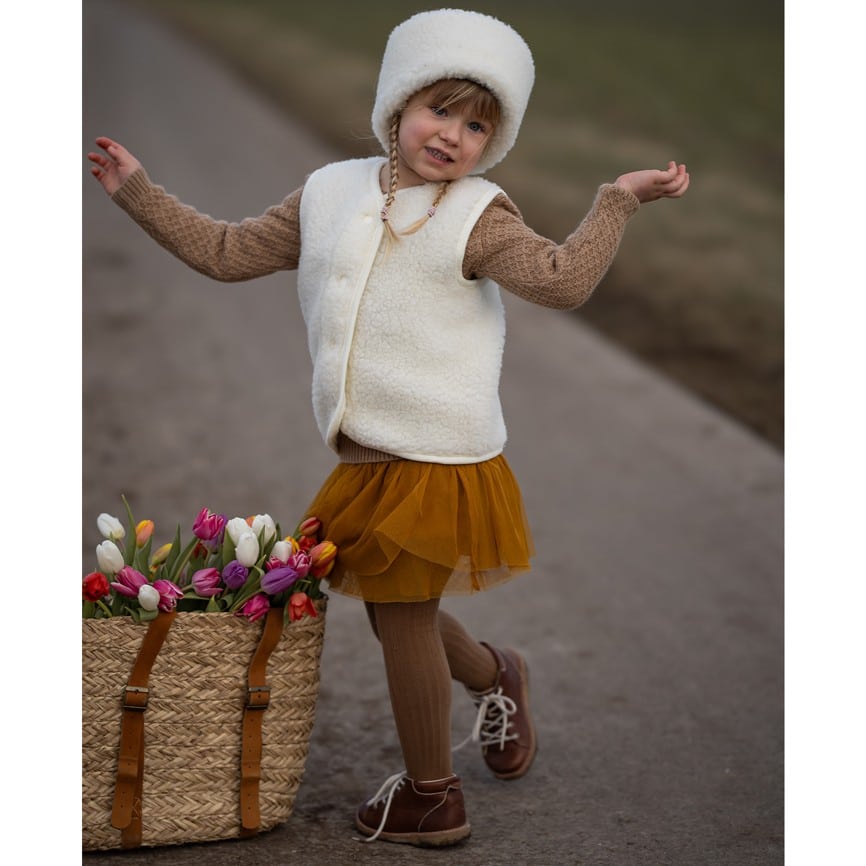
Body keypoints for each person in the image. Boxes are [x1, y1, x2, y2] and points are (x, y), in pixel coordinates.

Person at [88, 8, 689, 848]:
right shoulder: (330, 193)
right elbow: (226, 252)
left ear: (494, 141)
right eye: (438, 110)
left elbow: (560, 280)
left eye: (477, 126)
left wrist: (617, 201)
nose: (452, 136)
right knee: (389, 608)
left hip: (439, 454)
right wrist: (139, 194)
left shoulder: (478, 215)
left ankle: (432, 797)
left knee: (401, 616)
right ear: (397, 104)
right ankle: (495, 673)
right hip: (369, 456)